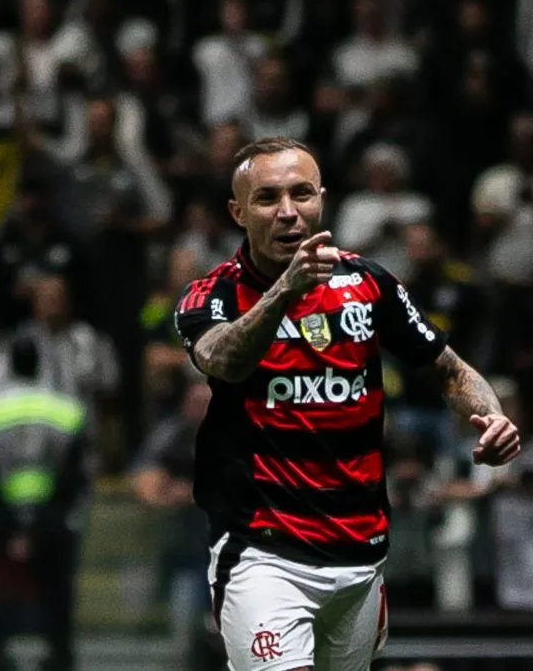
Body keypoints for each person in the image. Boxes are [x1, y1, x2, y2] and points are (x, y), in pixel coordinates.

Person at [173, 137, 521, 671]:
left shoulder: (367, 283)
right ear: (237, 212)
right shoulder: (210, 295)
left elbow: (449, 369)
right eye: (267, 198)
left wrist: (492, 416)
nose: (288, 211)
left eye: (301, 193)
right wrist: (284, 293)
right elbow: (223, 360)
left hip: (361, 553)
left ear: (321, 200)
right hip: (264, 553)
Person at [0, 334, 88, 671]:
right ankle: (59, 657)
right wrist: (38, 523)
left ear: (10, 364)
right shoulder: (66, 408)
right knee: (55, 597)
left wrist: (9, 523)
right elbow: (73, 474)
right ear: (38, 363)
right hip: (52, 520)